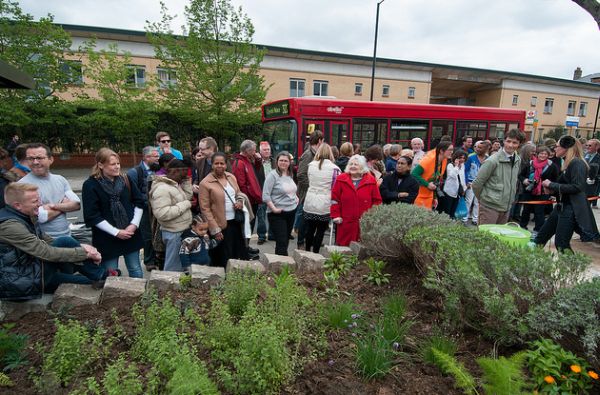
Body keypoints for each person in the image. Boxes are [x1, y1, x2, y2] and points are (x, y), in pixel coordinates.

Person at [0, 183, 105, 300]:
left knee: (89, 279)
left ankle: (99, 275)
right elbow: (45, 252)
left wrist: (82, 246)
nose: (40, 204)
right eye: (35, 201)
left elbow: (47, 240)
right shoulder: (10, 226)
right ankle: (100, 274)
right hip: (20, 282)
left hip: (31, 272)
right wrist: (85, 253)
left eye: (39, 199)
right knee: (66, 242)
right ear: (18, 205)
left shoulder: (24, 216)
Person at [82, 148, 144, 278]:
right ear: (100, 165)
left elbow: (139, 202)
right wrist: (116, 232)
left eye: (118, 163)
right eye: (112, 164)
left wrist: (134, 225)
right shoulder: (90, 185)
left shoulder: (125, 179)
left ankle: (140, 297)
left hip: (130, 233)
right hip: (106, 237)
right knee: (112, 273)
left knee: (135, 269)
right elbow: (92, 215)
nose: (117, 167)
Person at [535, 136, 600, 251]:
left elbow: (577, 187)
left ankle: (571, 268)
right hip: (562, 206)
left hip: (570, 208)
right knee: (541, 237)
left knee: (561, 244)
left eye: (557, 146)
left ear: (566, 148)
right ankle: (526, 265)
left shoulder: (577, 163)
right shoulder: (569, 163)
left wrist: (551, 185)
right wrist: (551, 189)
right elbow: (566, 186)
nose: (555, 149)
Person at [19, 143, 80, 241]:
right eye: (30, 158)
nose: (35, 162)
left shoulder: (60, 179)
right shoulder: (22, 185)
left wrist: (51, 206)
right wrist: (64, 206)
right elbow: (41, 217)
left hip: (67, 236)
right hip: (43, 242)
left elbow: (77, 205)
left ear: (51, 159)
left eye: (39, 158)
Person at [199, 152, 249, 267]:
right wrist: (215, 229)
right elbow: (205, 209)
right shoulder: (205, 183)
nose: (219, 166)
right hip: (220, 226)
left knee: (238, 254)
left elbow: (238, 193)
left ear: (226, 165)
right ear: (212, 165)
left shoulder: (231, 177)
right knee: (223, 257)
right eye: (216, 163)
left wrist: (240, 202)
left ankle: (236, 280)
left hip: (236, 222)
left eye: (222, 163)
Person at [472, 129, 526, 225]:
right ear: (504, 141)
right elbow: (477, 184)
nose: (510, 145)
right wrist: (483, 199)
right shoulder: (492, 161)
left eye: (515, 142)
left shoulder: (517, 159)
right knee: (486, 237)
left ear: (519, 144)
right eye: (508, 141)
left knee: (498, 238)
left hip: (506, 207)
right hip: (489, 207)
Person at [148, 159, 194, 272]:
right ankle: (167, 288)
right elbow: (162, 214)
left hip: (180, 231)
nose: (185, 176)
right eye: (183, 174)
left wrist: (186, 182)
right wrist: (186, 204)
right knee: (173, 268)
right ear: (174, 172)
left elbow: (186, 198)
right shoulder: (162, 189)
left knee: (180, 265)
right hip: (174, 234)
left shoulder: (174, 184)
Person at [331, 155, 382, 246]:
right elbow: (335, 199)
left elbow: (377, 201)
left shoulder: (370, 180)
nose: (353, 166)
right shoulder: (341, 179)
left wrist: (373, 217)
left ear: (362, 167)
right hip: (345, 222)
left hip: (364, 222)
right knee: (344, 248)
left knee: (362, 249)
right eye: (351, 164)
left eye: (356, 164)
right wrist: (336, 215)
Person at [127, 146, 160, 271]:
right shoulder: (134, 173)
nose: (158, 158)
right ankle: (149, 261)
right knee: (147, 235)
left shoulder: (158, 170)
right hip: (144, 210)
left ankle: (157, 258)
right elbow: (133, 194)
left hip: (157, 209)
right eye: (155, 156)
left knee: (157, 234)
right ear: (146, 157)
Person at [303, 143, 340, 253]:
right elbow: (335, 187)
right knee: (320, 230)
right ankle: (315, 252)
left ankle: (306, 250)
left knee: (310, 229)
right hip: (324, 203)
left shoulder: (311, 165)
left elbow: (309, 180)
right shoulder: (335, 169)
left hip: (310, 201)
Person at [262, 151, 298, 256]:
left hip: (291, 212)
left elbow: (292, 189)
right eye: (281, 160)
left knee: (286, 240)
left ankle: (280, 263)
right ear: (277, 161)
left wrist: (296, 198)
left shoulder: (290, 173)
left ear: (289, 162)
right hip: (277, 214)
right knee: (281, 241)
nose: (283, 163)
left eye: (286, 161)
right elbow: (265, 195)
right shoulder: (272, 175)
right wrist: (274, 209)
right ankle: (283, 266)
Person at [518, 146, 559, 238]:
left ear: (548, 155)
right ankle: (522, 227)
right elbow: (521, 175)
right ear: (537, 154)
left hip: (543, 192)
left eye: (545, 154)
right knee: (526, 210)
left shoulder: (551, 166)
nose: (543, 155)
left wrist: (550, 188)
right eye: (541, 153)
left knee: (539, 211)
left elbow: (555, 179)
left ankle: (537, 230)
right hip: (528, 190)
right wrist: (524, 180)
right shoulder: (530, 163)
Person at [231, 140, 263, 251]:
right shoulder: (240, 163)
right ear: (247, 151)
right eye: (254, 150)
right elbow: (241, 185)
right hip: (248, 200)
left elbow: (256, 171)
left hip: (252, 199)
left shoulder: (247, 160)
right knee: (247, 226)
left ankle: (246, 247)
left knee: (249, 225)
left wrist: (258, 160)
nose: (255, 152)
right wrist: (248, 199)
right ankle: (244, 249)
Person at [296, 130, 324, 249]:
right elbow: (301, 175)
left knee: (311, 218)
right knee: (304, 218)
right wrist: (313, 187)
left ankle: (310, 239)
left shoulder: (316, 155)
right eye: (323, 141)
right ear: (319, 141)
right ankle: (300, 242)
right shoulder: (308, 155)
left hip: (312, 192)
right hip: (306, 193)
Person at [411, 141, 453, 210]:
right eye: (450, 150)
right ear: (442, 151)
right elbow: (414, 174)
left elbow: (435, 180)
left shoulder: (444, 160)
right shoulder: (429, 160)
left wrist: (435, 197)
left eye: (452, 150)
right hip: (419, 195)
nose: (452, 152)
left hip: (429, 195)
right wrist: (427, 184)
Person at [463, 140, 489, 226]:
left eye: (480, 148)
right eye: (477, 147)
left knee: (478, 202)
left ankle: (475, 219)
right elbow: (465, 170)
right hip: (471, 183)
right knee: (468, 201)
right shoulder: (470, 157)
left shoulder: (488, 159)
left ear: (485, 149)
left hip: (482, 184)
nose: (478, 149)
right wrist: (466, 182)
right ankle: (465, 218)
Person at [256, 142, 275, 245]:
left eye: (268, 149)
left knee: (273, 214)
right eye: (264, 150)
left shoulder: (274, 162)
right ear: (260, 151)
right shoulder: (256, 163)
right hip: (261, 192)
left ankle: (272, 234)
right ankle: (262, 236)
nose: (267, 151)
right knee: (261, 216)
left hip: (273, 192)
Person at [441, 150, 467, 218]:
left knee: (453, 211)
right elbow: (452, 175)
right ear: (456, 157)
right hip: (449, 191)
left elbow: (462, 178)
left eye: (464, 158)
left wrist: (464, 188)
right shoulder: (450, 165)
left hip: (457, 192)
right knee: (447, 211)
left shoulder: (463, 166)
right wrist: (456, 166)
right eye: (460, 157)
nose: (462, 159)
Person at [584, 139, 600, 208]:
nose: (587, 147)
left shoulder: (599, 158)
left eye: (590, 145)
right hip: (579, 186)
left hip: (590, 188)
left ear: (597, 147)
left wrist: (594, 178)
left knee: (585, 208)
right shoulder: (582, 156)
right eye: (586, 145)